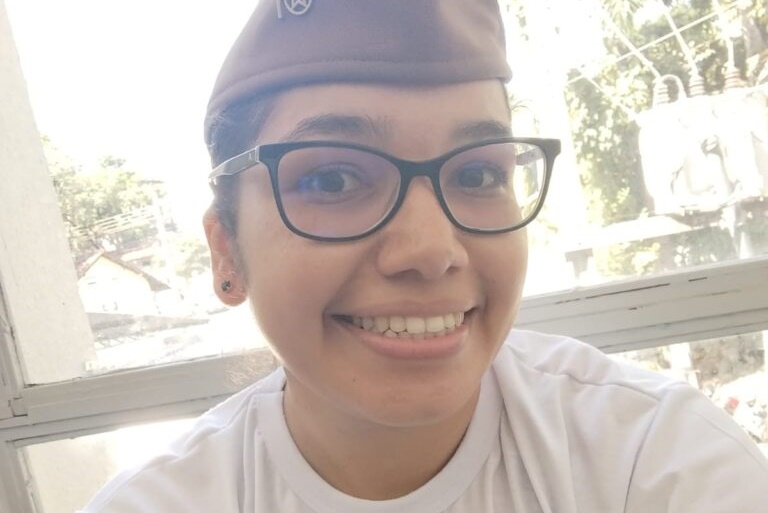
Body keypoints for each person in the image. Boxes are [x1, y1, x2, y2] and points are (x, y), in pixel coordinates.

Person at [81, 1, 768, 511]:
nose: (431, 251)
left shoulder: (655, 460)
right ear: (226, 250)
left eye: (478, 173)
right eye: (333, 180)